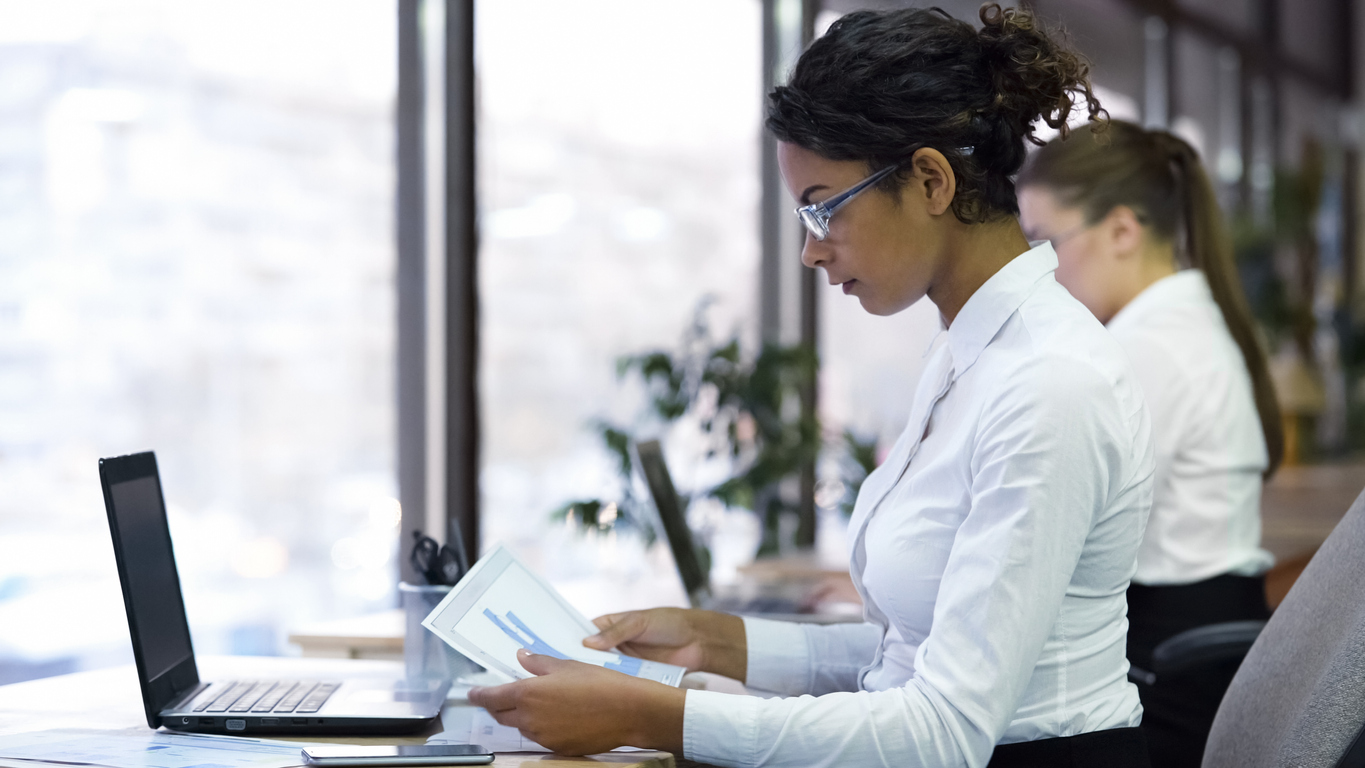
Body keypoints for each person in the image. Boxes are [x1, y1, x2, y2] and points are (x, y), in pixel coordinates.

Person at [469, 7, 1157, 766]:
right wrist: (719, 641)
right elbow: (913, 650)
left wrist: (655, 718)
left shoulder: (1046, 386)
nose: (810, 251)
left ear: (930, 179)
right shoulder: (971, 352)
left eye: (823, 207)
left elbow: (943, 731)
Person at [1017, 121, 1283, 767]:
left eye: (1044, 243)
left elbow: (1063, 530)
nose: (1035, 271)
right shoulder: (1175, 324)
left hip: (1170, 665)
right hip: (1199, 641)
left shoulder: (1145, 347)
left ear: (1121, 231)